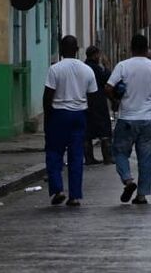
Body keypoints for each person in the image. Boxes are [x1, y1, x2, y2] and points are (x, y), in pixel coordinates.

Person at [105, 34, 151, 205]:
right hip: (148, 119)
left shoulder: (123, 66)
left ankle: (128, 180)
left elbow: (108, 87)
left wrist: (116, 101)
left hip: (128, 118)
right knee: (146, 159)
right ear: (147, 48)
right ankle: (142, 195)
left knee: (120, 152)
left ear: (131, 48)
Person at [43, 35, 97, 206]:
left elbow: (48, 97)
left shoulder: (55, 69)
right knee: (76, 156)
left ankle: (58, 189)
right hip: (79, 115)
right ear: (77, 50)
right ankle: (74, 196)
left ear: (60, 50)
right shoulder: (87, 70)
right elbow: (93, 97)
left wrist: (47, 118)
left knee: (54, 153)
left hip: (59, 115)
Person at [83, 46, 113, 165]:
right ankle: (107, 157)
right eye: (98, 55)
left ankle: (89, 158)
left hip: (86, 102)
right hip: (98, 101)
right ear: (95, 55)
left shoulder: (84, 67)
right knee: (104, 130)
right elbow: (107, 79)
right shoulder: (96, 68)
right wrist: (106, 67)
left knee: (88, 131)